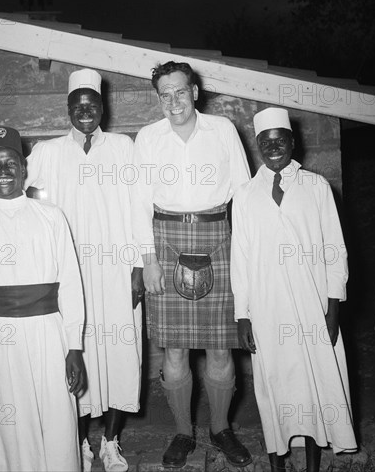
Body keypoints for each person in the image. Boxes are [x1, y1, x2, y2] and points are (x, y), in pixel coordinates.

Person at [132, 61, 252, 468]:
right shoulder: (148, 138)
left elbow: (244, 192)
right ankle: (184, 432)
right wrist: (147, 259)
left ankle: (221, 429)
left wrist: (247, 256)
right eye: (164, 94)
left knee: (221, 346)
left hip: (218, 237)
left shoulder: (223, 130)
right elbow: (137, 203)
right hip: (165, 240)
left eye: (179, 91)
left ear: (195, 91)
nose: (173, 101)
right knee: (175, 347)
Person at [25, 68, 143, 472]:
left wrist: (139, 267)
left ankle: (111, 441)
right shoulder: (47, 152)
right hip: (68, 274)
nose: (85, 111)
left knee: (119, 355)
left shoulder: (124, 147)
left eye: (92, 104)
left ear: (103, 106)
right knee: (76, 356)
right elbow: (30, 210)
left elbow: (139, 210)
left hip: (116, 270)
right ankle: (80, 443)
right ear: (68, 109)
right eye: (78, 105)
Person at [230, 107, 357, 472]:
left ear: (293, 141)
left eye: (280, 140)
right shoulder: (245, 195)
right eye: (266, 141)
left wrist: (333, 308)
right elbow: (241, 259)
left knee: (312, 385)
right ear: (257, 145)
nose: (274, 147)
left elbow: (335, 250)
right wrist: (243, 314)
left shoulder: (316, 187)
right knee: (274, 389)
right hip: (267, 309)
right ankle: (277, 465)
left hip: (311, 304)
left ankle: (313, 464)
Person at [0, 126, 86, 472]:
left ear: (24, 168)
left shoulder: (52, 218)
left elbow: (70, 284)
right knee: (7, 431)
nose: (3, 171)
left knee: (56, 425)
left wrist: (74, 347)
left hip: (48, 335)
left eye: (10, 162)